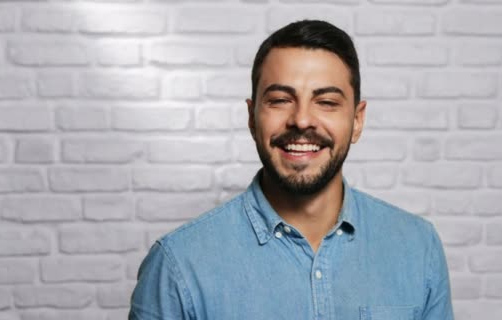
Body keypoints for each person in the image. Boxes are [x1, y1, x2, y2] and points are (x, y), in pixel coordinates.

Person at [129, 20, 454, 320]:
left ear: (357, 121)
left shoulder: (417, 247)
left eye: (326, 102)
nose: (301, 120)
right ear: (251, 117)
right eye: (280, 100)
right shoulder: (177, 264)